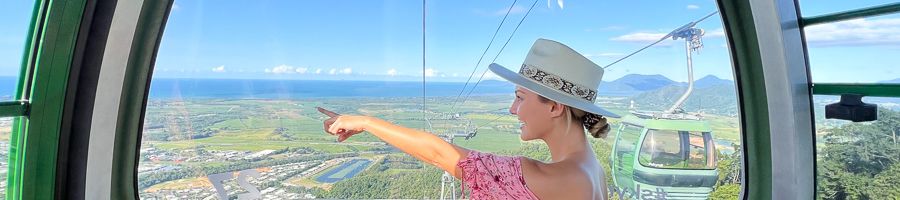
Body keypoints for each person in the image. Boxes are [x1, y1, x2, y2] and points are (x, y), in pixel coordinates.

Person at [318, 38, 620, 200]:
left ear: (554, 107)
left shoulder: (544, 175)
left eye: (519, 97)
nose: (513, 110)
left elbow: (440, 155)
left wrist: (367, 122)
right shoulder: (593, 171)